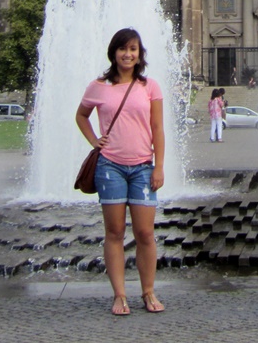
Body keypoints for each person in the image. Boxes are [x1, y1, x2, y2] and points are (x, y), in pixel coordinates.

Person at [75, 27, 165, 315]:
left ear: (140, 55)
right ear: (114, 53)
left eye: (133, 49)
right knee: (114, 233)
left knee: (145, 234)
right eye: (123, 49)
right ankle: (119, 295)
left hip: (142, 167)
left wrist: (159, 166)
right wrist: (94, 140)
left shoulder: (149, 86)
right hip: (109, 166)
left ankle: (148, 292)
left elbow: (157, 128)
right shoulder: (98, 86)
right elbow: (81, 115)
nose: (128, 54)